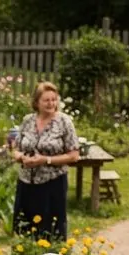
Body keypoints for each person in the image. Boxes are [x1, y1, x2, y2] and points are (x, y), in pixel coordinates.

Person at [12, 81, 79, 241]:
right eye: (46, 100)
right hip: (26, 183)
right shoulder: (28, 120)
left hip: (52, 185)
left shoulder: (64, 122)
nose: (51, 104)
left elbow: (74, 155)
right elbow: (15, 149)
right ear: (37, 102)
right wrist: (22, 157)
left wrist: (46, 160)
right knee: (25, 229)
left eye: (54, 100)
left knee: (51, 231)